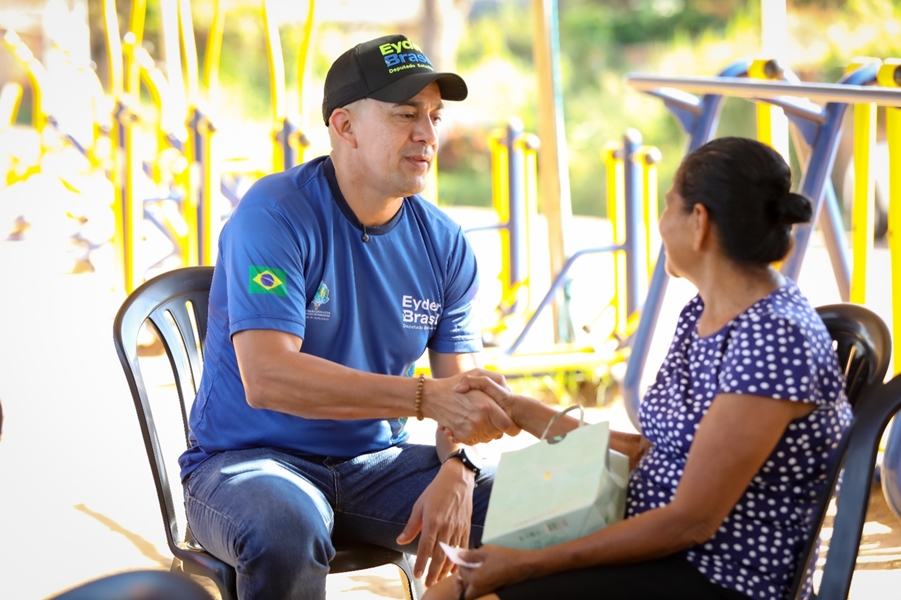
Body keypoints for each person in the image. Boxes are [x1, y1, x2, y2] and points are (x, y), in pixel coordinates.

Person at [425, 136, 851, 600]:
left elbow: (692, 521)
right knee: (454, 590)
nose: (662, 222)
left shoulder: (773, 338)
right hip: (660, 547)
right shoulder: (704, 313)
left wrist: (522, 565)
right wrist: (518, 409)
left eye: (669, 206)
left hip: (717, 575)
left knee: (464, 593)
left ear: (699, 223)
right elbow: (649, 449)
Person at [177, 33, 520, 600]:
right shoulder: (275, 214)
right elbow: (268, 378)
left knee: (540, 509)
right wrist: (422, 398)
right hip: (248, 463)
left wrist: (458, 468)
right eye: (406, 114)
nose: (427, 134)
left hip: (376, 466)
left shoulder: (444, 243)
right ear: (344, 126)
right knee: (286, 528)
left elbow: (465, 396)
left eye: (434, 116)